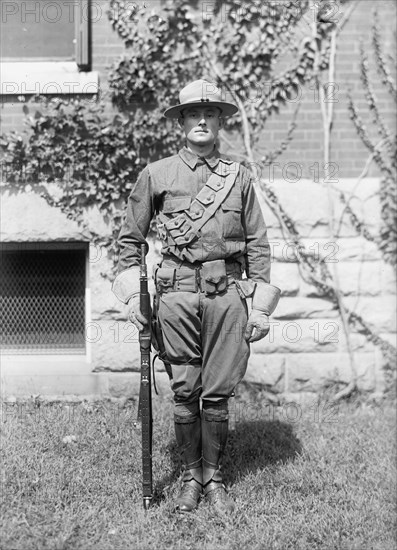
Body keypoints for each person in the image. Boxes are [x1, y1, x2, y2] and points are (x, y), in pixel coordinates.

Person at [112, 79, 280, 514]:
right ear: (181, 122)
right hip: (176, 297)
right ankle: (190, 477)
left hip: (226, 296)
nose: (201, 120)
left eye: (210, 114)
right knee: (185, 391)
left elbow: (258, 244)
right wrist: (133, 297)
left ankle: (214, 478)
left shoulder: (238, 178)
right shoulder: (157, 174)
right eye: (192, 114)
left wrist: (260, 308)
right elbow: (129, 241)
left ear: (220, 122)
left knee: (218, 393)